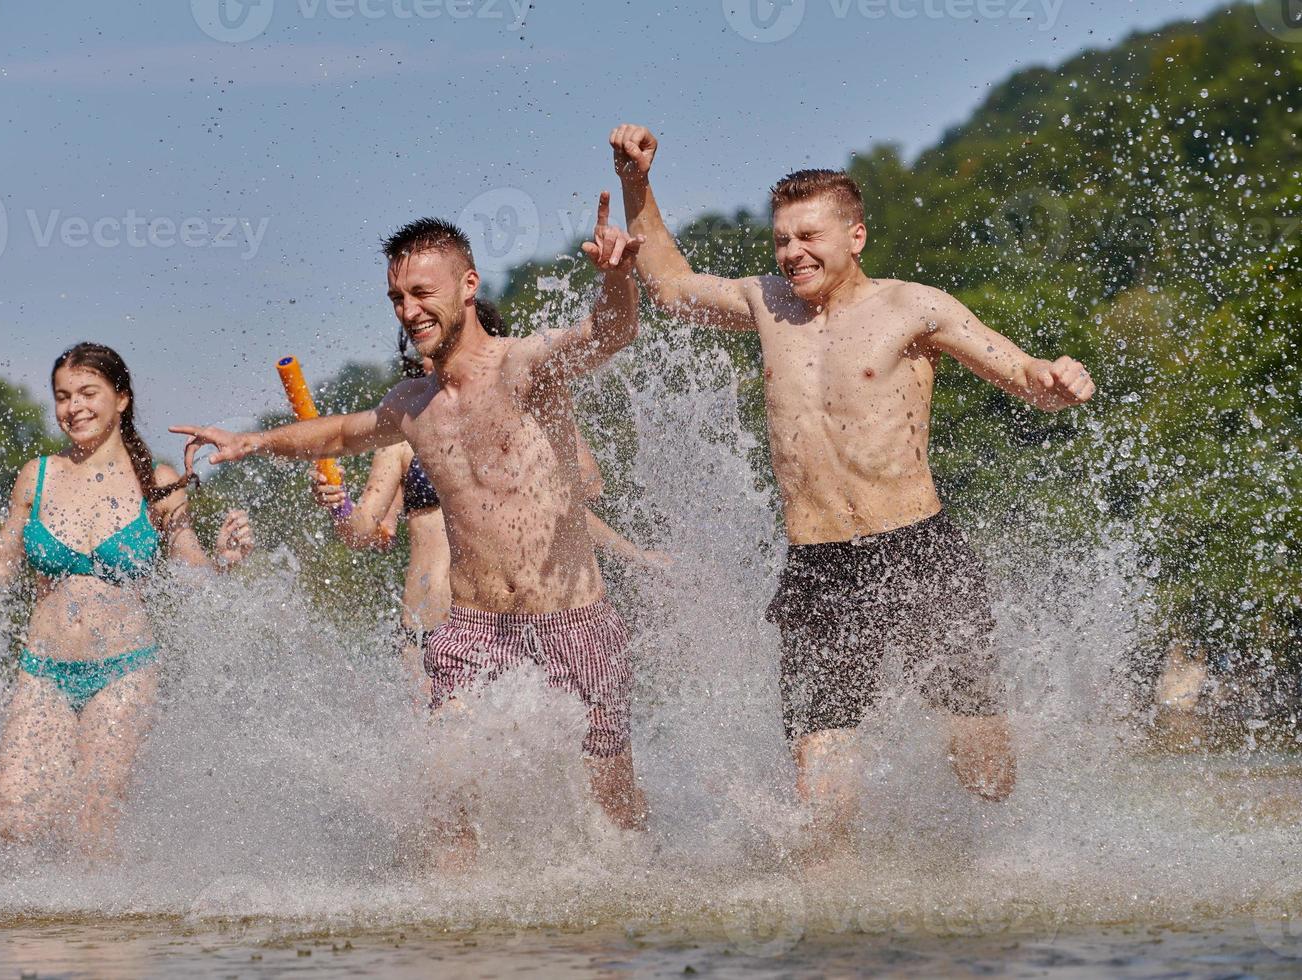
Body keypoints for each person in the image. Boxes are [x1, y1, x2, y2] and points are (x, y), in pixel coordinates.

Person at [608, 124, 1095, 845]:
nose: (792, 253)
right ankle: (835, 927)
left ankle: (995, 863)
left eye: (809, 236)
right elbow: (672, 288)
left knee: (986, 773)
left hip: (919, 555)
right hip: (819, 567)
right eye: (781, 239)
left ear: (856, 235)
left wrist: (1058, 379)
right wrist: (637, 184)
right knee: (822, 783)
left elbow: (1021, 373)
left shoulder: (914, 308)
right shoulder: (766, 304)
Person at [173, 199, 648, 866]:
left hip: (571, 619)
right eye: (396, 296)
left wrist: (619, 278)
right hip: (473, 629)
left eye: (421, 292)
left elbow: (609, 332)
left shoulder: (524, 367)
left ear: (467, 285)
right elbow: (340, 432)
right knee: (446, 797)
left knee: (615, 816)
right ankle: (451, 940)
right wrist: (254, 441)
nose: (407, 309)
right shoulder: (413, 405)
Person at [0, 342, 254, 852]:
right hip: (43, 669)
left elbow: (193, 572)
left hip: (125, 669)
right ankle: (31, 930)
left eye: (89, 392)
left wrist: (224, 560)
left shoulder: (157, 482)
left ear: (122, 399)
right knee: (12, 818)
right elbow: (0, 562)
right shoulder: (37, 475)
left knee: (93, 821)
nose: (75, 407)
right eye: (63, 397)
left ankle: (100, 931)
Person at [314, 313, 667, 705]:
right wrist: (339, 506)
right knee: (449, 760)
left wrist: (634, 554)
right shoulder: (401, 437)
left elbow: (581, 493)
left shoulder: (519, 416)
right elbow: (365, 531)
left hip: (509, 625)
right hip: (429, 627)